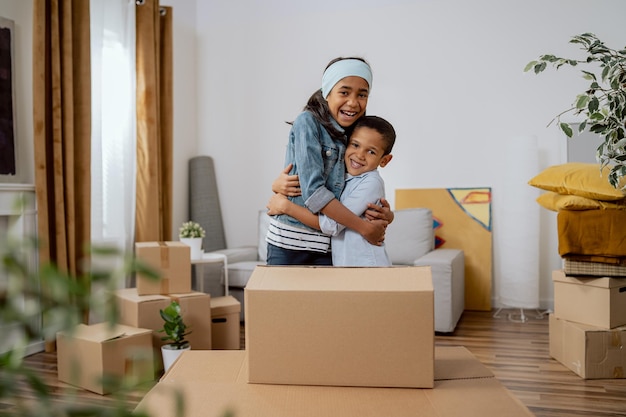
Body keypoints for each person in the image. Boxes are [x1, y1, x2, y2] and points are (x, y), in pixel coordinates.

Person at [266, 56, 391, 266]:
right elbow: (314, 193)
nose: (353, 102)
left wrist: (387, 215)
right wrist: (365, 228)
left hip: (331, 245)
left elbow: (358, 186)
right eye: (344, 92)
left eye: (362, 94)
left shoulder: (357, 129)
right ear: (327, 91)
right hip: (292, 241)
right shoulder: (308, 122)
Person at [267, 115, 395, 266]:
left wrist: (286, 207)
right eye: (355, 145)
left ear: (384, 160)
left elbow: (332, 224)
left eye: (371, 152)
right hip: (345, 264)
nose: (360, 155)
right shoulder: (343, 175)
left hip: (366, 264)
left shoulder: (371, 182)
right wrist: (276, 185)